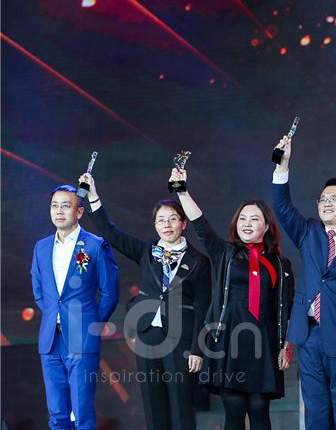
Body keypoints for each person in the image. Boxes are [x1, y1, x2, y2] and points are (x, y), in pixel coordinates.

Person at [80, 173, 210, 430]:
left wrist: (198, 349)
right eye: (160, 220)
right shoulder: (148, 252)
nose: (166, 224)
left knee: (182, 403)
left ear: (183, 223)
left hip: (181, 339)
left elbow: (203, 306)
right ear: (155, 225)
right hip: (148, 335)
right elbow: (112, 234)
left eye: (172, 219)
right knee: (153, 403)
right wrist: (93, 197)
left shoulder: (199, 261)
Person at [170, 168, 293, 430]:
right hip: (229, 339)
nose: (246, 223)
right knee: (234, 410)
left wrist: (285, 345)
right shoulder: (225, 253)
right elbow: (200, 225)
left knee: (259, 409)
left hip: (263, 342)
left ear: (266, 226)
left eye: (254, 219)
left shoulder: (280, 264)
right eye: (242, 219)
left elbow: (285, 308)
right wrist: (182, 191)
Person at [271, 135, 336, 430]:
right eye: (323, 199)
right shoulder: (309, 232)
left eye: (334, 199)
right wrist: (283, 165)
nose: (326, 204)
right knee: (316, 416)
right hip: (309, 336)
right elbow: (281, 206)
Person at [31, 185, 119, 430]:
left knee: (82, 413)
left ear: (79, 212)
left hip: (82, 337)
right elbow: (39, 291)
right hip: (50, 338)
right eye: (54, 206)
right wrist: (54, 315)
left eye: (65, 206)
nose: (59, 211)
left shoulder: (95, 245)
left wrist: (89, 324)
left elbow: (110, 294)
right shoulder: (41, 247)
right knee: (57, 414)